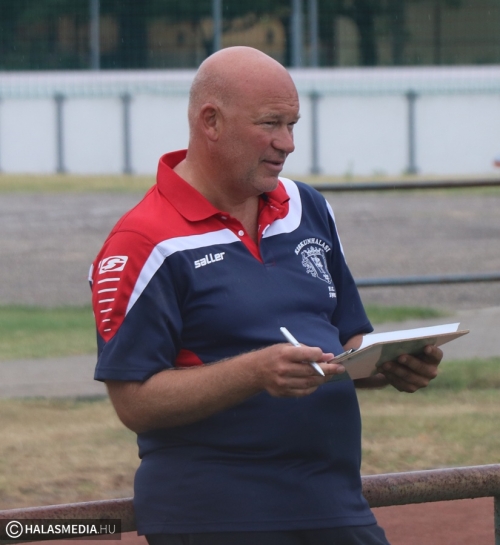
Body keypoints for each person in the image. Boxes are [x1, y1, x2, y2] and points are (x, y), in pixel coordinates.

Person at [90, 46, 442, 545]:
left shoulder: (307, 207)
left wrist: (388, 364)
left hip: (333, 502)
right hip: (216, 516)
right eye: (270, 124)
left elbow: (345, 340)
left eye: (292, 124)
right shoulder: (144, 241)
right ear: (211, 122)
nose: (287, 143)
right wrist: (254, 373)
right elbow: (134, 403)